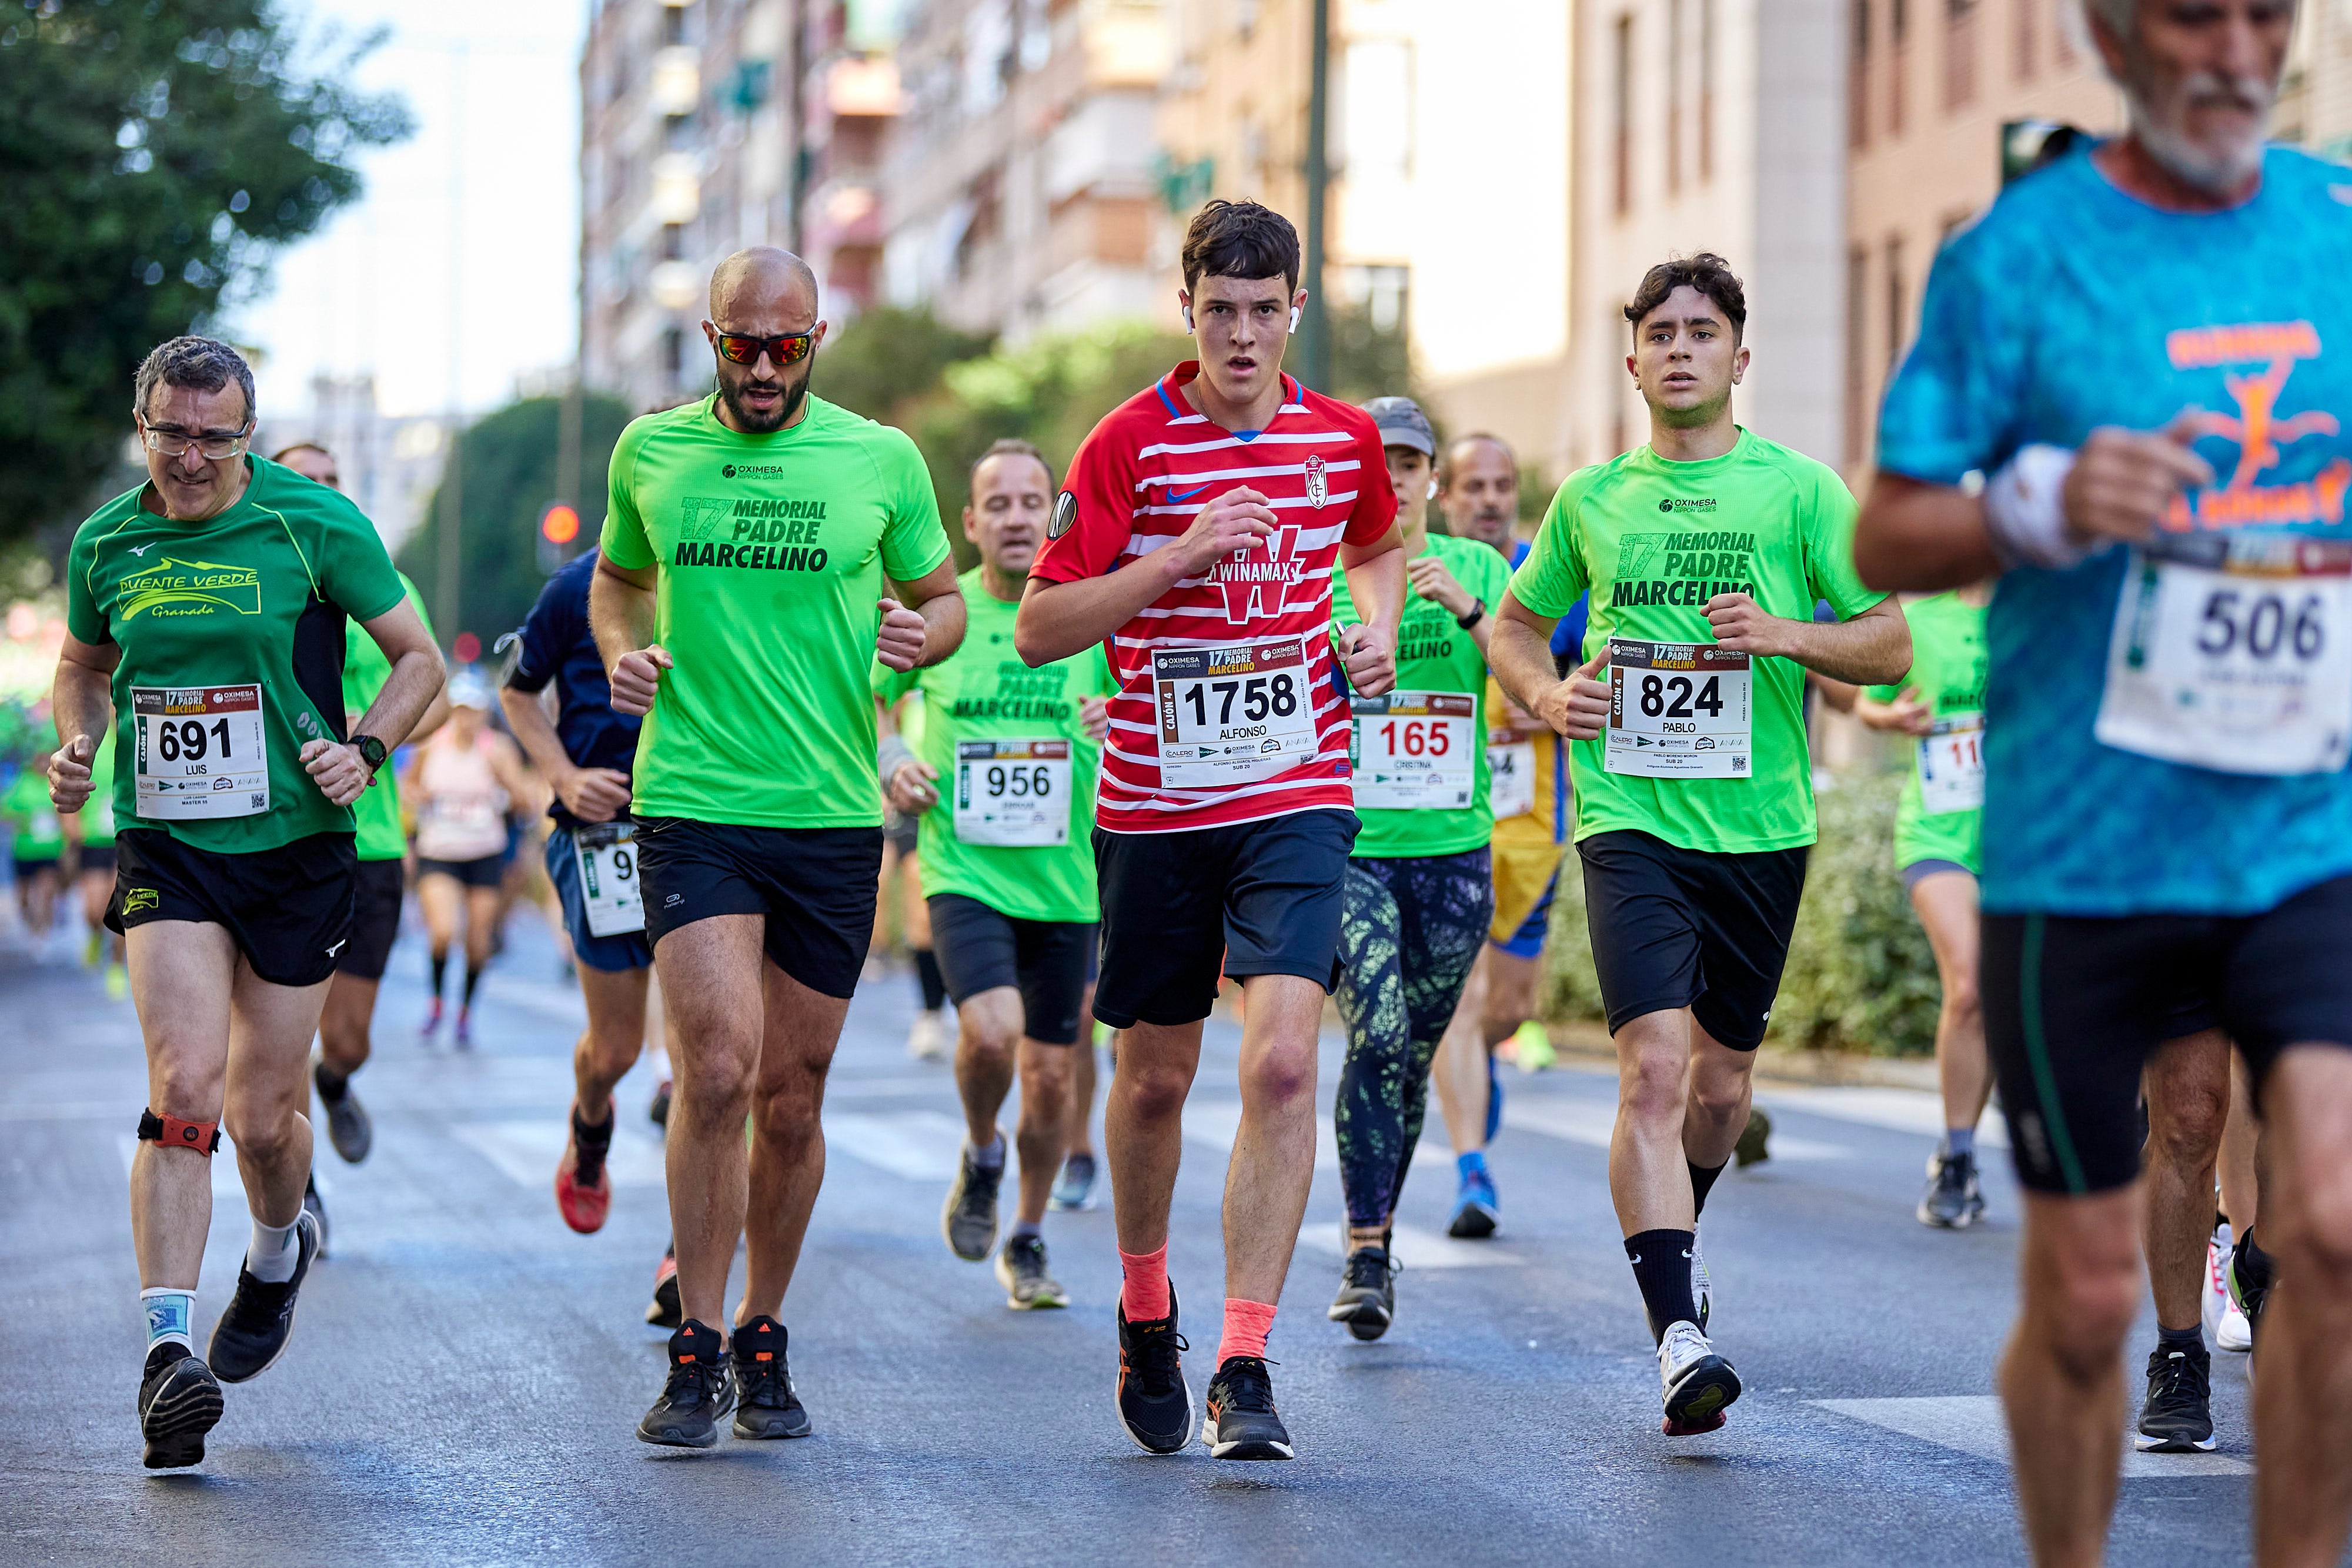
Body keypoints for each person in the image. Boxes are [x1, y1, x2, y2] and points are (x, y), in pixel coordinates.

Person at [1852, 0, 2352, 1552]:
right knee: (2078, 1304)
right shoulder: (2019, 253)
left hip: (2301, 824)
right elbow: (1890, 533)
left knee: (2330, 1224)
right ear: (2116, 35)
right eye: (2192, 17)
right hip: (2082, 846)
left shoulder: (2340, 229)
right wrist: (2044, 499)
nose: (2233, 50)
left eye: (2262, 14)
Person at [1494, 255, 1909, 1437]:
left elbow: (1888, 641)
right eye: (1658, 332)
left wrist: (1781, 631)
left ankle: (1679, 1236)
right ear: (1631, 361)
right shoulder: (1590, 500)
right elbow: (1519, 625)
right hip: (1629, 819)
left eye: (1700, 330)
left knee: (1719, 1095)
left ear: (1737, 355)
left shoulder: (1797, 492)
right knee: (1654, 1071)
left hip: (1759, 829)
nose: (1678, 348)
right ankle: (1677, 1329)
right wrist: (1542, 691)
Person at [1017, 199, 1404, 1461]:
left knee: (1285, 1063)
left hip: (1295, 787)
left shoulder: (1340, 437)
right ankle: (1144, 1303)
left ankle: (1243, 1356)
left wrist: (1376, 628)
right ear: (1186, 310)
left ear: (1297, 308)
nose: (1242, 334)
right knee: (1155, 1078)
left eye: (1264, 309)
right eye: (1218, 309)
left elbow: (1378, 542)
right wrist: (1173, 561)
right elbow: (1042, 625)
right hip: (1153, 799)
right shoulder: (1127, 442)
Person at [47, 335, 442, 1469]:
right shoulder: (108, 540)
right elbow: (82, 662)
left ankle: (277, 1252)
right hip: (169, 840)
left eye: (214, 437)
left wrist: (365, 749)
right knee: (182, 1087)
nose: (190, 458)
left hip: (298, 852)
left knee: (267, 1119)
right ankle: (168, 1354)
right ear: (145, 427)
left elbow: (419, 661)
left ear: (247, 436)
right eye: (170, 433)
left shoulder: (311, 525)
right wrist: (84, 735)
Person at [593, 247, 964, 1449]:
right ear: (708, 339)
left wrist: (922, 637)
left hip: (830, 813)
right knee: (715, 1066)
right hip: (696, 797)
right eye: (739, 345)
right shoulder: (650, 452)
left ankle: (764, 1326)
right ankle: (692, 1341)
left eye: (785, 346)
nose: (761, 367)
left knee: (793, 1099)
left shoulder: (880, 459)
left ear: (816, 342)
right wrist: (617, 649)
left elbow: (945, 601)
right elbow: (614, 579)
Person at [877, 438, 1117, 1310]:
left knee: (1056, 1078)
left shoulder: (1090, 615)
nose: (1017, 516)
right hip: (962, 865)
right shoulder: (945, 615)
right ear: (971, 522)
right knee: (989, 1031)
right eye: (998, 503)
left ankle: (1026, 1227)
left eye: (1033, 501)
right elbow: (871, 691)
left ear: (1056, 513)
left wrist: (1114, 716)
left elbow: (1149, 706)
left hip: (1067, 882)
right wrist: (893, 750)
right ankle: (982, 1146)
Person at [1324, 397, 1512, 1340]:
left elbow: (1533, 686)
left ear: (1432, 477)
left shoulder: (1478, 567)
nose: (1392, 477)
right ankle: (1363, 1247)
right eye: (1375, 460)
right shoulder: (1324, 571)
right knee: (1378, 1032)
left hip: (1453, 852)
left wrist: (1470, 611)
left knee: (1411, 1061)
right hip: (1352, 847)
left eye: (1407, 462)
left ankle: (1379, 1228)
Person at [499, 547, 675, 1289]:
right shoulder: (579, 584)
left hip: (709, 830)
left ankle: (685, 1253)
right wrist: (565, 777)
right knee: (618, 1050)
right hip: (603, 837)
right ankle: (591, 1119)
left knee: (716, 1059)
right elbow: (517, 691)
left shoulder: (732, 567)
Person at [270, 442, 447, 1170]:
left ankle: (336, 1083)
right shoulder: (251, 578)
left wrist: (364, 734)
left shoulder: (386, 580)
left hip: (369, 844)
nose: (318, 488)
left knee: (346, 1040)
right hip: (278, 839)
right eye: (301, 478)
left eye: (331, 479)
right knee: (278, 1039)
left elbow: (432, 695)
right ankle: (295, 1188)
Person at [1425, 432, 1582, 1238]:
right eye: (1472, 485)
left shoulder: (1551, 579)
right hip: (1451, 822)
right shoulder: (1422, 576)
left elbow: (1594, 672)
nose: (1488, 498)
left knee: (1509, 1007)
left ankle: (1466, 1066)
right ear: (1443, 496)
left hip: (1535, 827)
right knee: (1469, 995)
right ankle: (1471, 1170)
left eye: (1501, 483)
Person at [1849, 587, 1993, 1227]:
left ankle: (1961, 1149)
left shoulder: (2035, 608)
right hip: (1937, 832)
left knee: (1995, 998)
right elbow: (1865, 702)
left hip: (2018, 836)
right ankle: (1958, 1156)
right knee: (1966, 985)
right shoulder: (1919, 618)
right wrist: (1892, 718)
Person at [405, 673, 530, 1047]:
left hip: (483, 852)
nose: (466, 719)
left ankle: (465, 1012)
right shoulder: (431, 745)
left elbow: (526, 803)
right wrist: (420, 794)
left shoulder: (499, 749)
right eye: (460, 711)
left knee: (478, 943)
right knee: (443, 932)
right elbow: (406, 787)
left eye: (473, 712)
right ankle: (438, 1001)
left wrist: (506, 784)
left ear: (484, 714)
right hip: (439, 851)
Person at [61, 735, 128, 995]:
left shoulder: (134, 732)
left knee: (124, 908)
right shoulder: (90, 738)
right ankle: (95, 935)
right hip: (93, 842)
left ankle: (115, 966)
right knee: (94, 910)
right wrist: (72, 829)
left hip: (123, 837)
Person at [4, 751, 66, 942]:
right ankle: (29, 923)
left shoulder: (58, 784)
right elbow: (6, 811)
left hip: (49, 849)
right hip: (25, 850)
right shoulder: (22, 784)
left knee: (47, 890)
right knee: (24, 896)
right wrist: (19, 818)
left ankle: (43, 930)